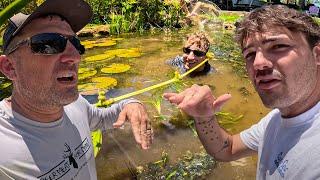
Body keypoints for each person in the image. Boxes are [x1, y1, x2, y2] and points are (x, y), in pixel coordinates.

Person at [0, 0, 153, 179]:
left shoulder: (76, 105)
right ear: (10, 67)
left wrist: (131, 104)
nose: (75, 56)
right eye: (50, 43)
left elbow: (103, 118)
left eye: (75, 43)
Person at [164, 5, 320, 179]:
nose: (258, 63)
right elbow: (228, 149)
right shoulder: (275, 119)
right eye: (250, 54)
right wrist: (203, 116)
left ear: (317, 56)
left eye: (278, 46)